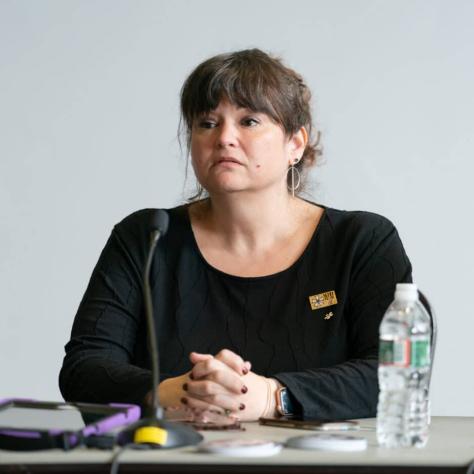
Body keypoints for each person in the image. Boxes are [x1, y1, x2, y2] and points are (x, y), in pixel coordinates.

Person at [59, 48, 412, 421]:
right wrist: (176, 391)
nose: (225, 138)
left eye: (249, 121)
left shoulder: (362, 241)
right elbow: (84, 368)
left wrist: (272, 397)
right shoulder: (145, 238)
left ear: (295, 143)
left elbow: (397, 373)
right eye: (207, 123)